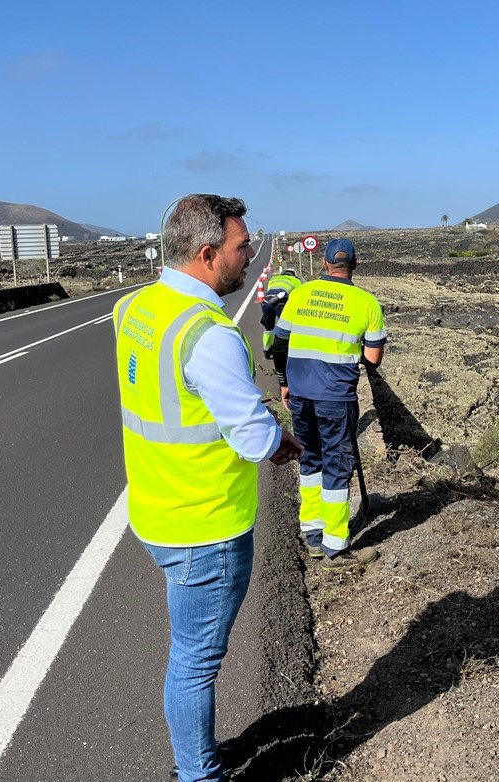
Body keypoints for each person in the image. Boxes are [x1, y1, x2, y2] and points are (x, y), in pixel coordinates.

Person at [112, 194, 304, 782]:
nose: (248, 256)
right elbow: (251, 436)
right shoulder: (210, 335)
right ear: (205, 254)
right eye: (241, 247)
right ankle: (198, 774)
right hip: (206, 525)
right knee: (195, 661)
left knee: (190, 655)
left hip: (155, 509)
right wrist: (283, 443)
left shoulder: (135, 307)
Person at [268, 237, 386, 572]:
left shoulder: (301, 294)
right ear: (355, 265)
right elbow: (373, 359)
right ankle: (336, 548)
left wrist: (284, 383)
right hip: (336, 396)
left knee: (309, 458)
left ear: (323, 263)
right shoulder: (366, 303)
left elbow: (279, 343)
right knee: (336, 465)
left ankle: (312, 532)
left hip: (301, 392)